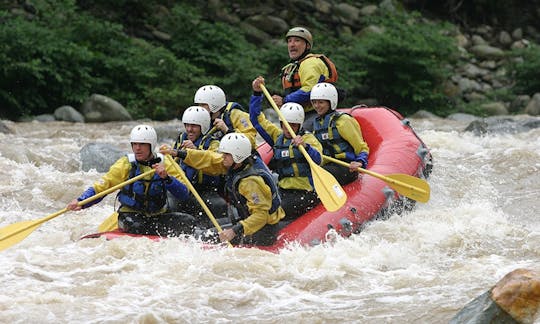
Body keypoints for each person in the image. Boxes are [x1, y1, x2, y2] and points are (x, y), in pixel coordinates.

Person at [67, 124, 197, 237]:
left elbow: (184, 193)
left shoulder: (166, 163)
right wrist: (81, 201)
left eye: (142, 144)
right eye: (134, 144)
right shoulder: (126, 164)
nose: (137, 148)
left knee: (188, 221)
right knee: (138, 226)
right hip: (131, 216)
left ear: (151, 146)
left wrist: (167, 178)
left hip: (156, 216)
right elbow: (103, 186)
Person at [162, 133, 285, 246]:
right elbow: (209, 159)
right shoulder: (239, 162)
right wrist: (179, 153)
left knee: (205, 238)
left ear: (237, 155)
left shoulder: (250, 181)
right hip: (248, 224)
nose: (222, 157)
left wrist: (234, 231)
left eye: (226, 154)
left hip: (262, 231)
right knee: (205, 226)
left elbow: (261, 215)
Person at [249, 76, 322, 221]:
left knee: (273, 211)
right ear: (282, 123)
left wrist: (306, 147)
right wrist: (257, 94)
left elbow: (318, 160)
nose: (290, 128)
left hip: (306, 192)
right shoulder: (277, 137)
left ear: (300, 125)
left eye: (294, 125)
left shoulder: (308, 139)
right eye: (286, 124)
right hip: (283, 190)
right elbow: (256, 120)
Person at [167, 106, 227, 227]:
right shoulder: (181, 138)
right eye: (187, 125)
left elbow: (216, 160)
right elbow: (172, 162)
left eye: (193, 126)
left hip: (205, 189)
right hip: (184, 186)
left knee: (219, 205)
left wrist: (195, 150)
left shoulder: (213, 143)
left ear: (203, 126)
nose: (189, 129)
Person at [271, 26, 339, 131]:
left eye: (297, 41)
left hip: (316, 113)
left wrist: (284, 100)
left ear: (307, 46)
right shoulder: (293, 67)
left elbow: (310, 91)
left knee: (301, 135)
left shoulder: (310, 63)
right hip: (300, 115)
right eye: (289, 41)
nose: (292, 44)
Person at [311, 83, 369, 185]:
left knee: (321, 174)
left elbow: (361, 147)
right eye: (314, 102)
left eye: (321, 102)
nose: (317, 106)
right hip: (328, 165)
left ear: (331, 102)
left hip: (346, 166)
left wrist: (360, 162)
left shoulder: (343, 120)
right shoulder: (317, 123)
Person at [194, 85, 258, 148]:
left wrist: (227, 130)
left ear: (214, 104)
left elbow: (251, 141)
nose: (200, 108)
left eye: (203, 105)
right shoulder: (202, 120)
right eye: (199, 105)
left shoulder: (236, 115)